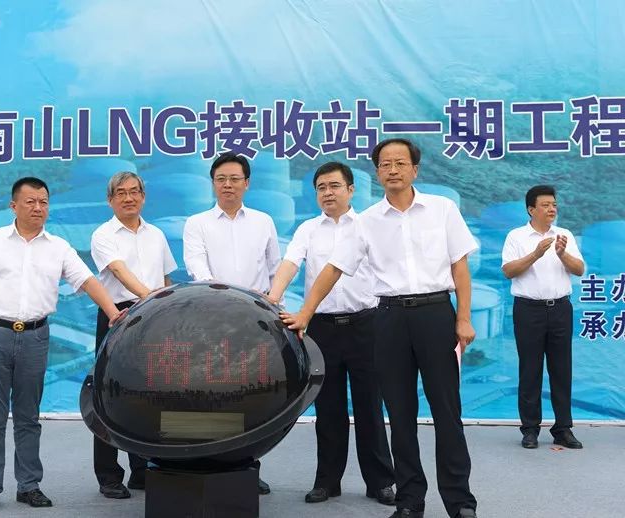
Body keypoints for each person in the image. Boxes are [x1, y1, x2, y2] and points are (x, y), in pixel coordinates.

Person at [281, 139, 478, 518]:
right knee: (400, 417)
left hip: (436, 313)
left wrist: (464, 317)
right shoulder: (367, 221)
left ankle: (460, 502)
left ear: (414, 169)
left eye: (400, 163)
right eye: (385, 164)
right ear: (377, 172)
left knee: (447, 412)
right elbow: (333, 270)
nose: (392, 170)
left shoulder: (442, 209)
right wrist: (305, 312)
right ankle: (409, 502)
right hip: (388, 319)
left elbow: (460, 265)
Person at [0, 177, 123, 514]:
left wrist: (113, 313)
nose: (38, 208)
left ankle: (29, 485)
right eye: (30, 201)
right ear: (13, 206)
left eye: (43, 202)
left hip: (35, 337)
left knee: (28, 416)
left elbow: (88, 281)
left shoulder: (58, 247)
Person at [267, 161, 395, 506]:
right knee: (328, 409)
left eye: (335, 186)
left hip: (366, 325)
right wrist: (274, 296)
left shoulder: (369, 226)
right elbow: (291, 263)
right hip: (322, 328)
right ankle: (327, 481)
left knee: (370, 407)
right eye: (321, 187)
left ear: (351, 190)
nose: (328, 193)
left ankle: (381, 482)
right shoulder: (308, 229)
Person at [182, 152, 281, 494]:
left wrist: (271, 303)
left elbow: (274, 269)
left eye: (234, 179)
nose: (228, 185)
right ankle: (209, 463)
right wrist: (226, 298)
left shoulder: (263, 221)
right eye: (221, 179)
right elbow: (198, 268)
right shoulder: (197, 223)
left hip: (255, 322)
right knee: (210, 393)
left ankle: (248, 466)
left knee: (251, 394)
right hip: (211, 320)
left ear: (246, 183)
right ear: (213, 184)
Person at [91, 171, 177, 498]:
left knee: (149, 393)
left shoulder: (156, 234)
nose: (128, 198)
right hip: (119, 314)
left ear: (143, 196)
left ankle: (142, 470)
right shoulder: (103, 234)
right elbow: (118, 271)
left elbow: (166, 278)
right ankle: (108, 475)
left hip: (155, 315)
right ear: (110, 200)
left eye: (134, 191)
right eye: (121, 193)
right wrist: (150, 299)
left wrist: (166, 309)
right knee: (110, 394)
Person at [501, 185, 585, 450]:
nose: (552, 209)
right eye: (546, 205)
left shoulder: (564, 235)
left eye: (554, 205)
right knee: (530, 369)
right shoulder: (516, 236)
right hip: (528, 310)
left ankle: (563, 429)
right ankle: (530, 429)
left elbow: (579, 269)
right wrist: (536, 253)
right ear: (531, 209)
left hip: (560, 309)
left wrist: (562, 254)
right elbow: (508, 271)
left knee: (561, 370)